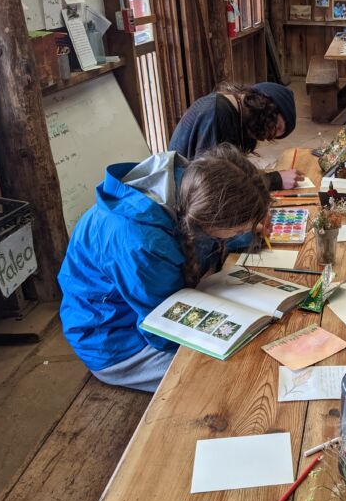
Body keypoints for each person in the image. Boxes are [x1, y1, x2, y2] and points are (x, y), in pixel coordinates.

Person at [58, 144, 272, 392]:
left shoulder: (185, 184)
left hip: (139, 310)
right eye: (236, 230)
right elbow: (165, 328)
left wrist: (244, 235)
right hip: (116, 341)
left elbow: (195, 240)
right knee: (236, 377)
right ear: (209, 219)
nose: (240, 233)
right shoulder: (142, 242)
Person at [169, 81, 303, 190]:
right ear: (267, 106)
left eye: (274, 137)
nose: (267, 137)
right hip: (183, 206)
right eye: (277, 127)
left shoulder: (235, 113)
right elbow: (214, 187)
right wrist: (275, 180)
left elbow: (230, 174)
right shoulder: (217, 113)